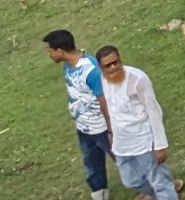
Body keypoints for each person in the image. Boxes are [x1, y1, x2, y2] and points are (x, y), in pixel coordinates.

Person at [93, 47, 176, 200]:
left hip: (144, 140)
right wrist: (111, 133)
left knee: (160, 182)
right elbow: (112, 109)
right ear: (100, 67)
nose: (113, 67)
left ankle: (168, 194)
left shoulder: (138, 79)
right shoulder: (103, 79)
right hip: (122, 143)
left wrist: (160, 146)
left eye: (115, 62)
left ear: (120, 59)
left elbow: (154, 112)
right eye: (108, 65)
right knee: (131, 181)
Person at [45, 30, 114, 200]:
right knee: (92, 162)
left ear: (60, 51)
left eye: (50, 50)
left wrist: (111, 129)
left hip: (101, 128)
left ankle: (158, 187)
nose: (49, 54)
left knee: (125, 159)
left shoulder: (91, 70)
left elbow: (103, 100)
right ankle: (100, 194)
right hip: (84, 127)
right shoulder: (68, 65)